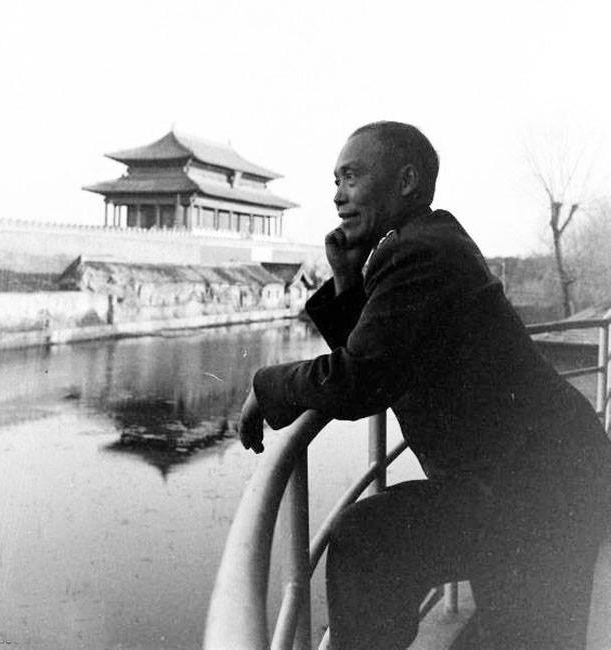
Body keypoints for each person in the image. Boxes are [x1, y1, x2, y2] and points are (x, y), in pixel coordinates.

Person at [238, 121, 611, 649]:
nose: (337, 193)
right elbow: (381, 355)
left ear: (407, 181)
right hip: (538, 477)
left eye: (352, 176)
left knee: (368, 541)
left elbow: (360, 379)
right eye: (335, 179)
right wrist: (348, 279)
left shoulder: (419, 253)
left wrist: (266, 384)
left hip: (535, 488)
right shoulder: (432, 239)